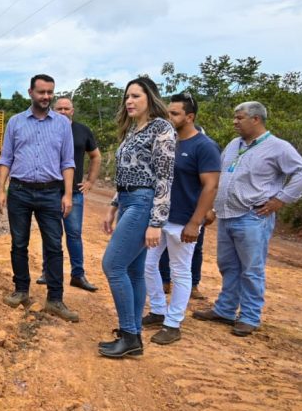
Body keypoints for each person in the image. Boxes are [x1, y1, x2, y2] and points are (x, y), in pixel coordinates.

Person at [193, 101, 302, 337]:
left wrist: (281, 199)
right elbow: (222, 177)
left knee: (251, 269)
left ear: (256, 119)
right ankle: (225, 310)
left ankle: (249, 316)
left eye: (239, 118)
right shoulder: (234, 144)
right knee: (228, 266)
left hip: (253, 216)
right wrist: (213, 208)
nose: (235, 122)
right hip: (227, 215)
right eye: (235, 118)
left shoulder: (278, 147)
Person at [99, 77, 175, 358]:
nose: (129, 101)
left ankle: (129, 333)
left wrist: (157, 222)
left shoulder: (162, 129)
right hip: (128, 199)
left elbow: (165, 178)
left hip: (144, 203)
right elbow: (127, 174)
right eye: (126, 97)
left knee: (113, 265)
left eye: (135, 96)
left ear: (150, 98)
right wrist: (113, 205)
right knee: (132, 270)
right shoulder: (133, 130)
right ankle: (133, 337)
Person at [0, 74, 78, 322]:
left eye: (50, 92)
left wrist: (68, 194)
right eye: (41, 92)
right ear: (30, 92)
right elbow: (6, 158)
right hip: (19, 191)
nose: (46, 97)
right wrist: (1, 190)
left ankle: (55, 299)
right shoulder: (16, 122)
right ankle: (21, 290)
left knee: (54, 245)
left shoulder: (62, 124)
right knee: (19, 243)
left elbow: (68, 162)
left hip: (51, 192)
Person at [142, 92, 221, 345]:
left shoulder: (204, 146)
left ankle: (173, 323)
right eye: (167, 112)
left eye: (174, 113)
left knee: (180, 272)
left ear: (190, 117)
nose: (169, 117)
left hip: (183, 220)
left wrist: (195, 222)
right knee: (147, 265)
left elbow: (210, 187)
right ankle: (157, 310)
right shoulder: (167, 142)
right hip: (160, 218)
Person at [36, 96, 102, 292]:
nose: (63, 112)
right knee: (50, 235)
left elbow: (96, 156)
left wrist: (90, 181)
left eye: (67, 108)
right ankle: (48, 272)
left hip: (74, 193)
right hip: (49, 192)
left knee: (74, 235)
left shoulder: (83, 131)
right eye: (59, 109)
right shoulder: (47, 129)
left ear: (73, 111)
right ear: (53, 111)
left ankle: (78, 275)